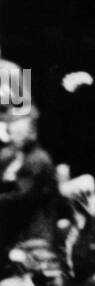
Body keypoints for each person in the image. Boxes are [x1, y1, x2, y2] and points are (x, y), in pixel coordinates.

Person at [0, 108, 57, 257]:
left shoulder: (38, 160)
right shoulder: (14, 157)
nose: (11, 138)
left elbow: (23, 197)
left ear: (29, 134)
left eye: (15, 134)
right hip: (17, 234)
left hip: (34, 236)